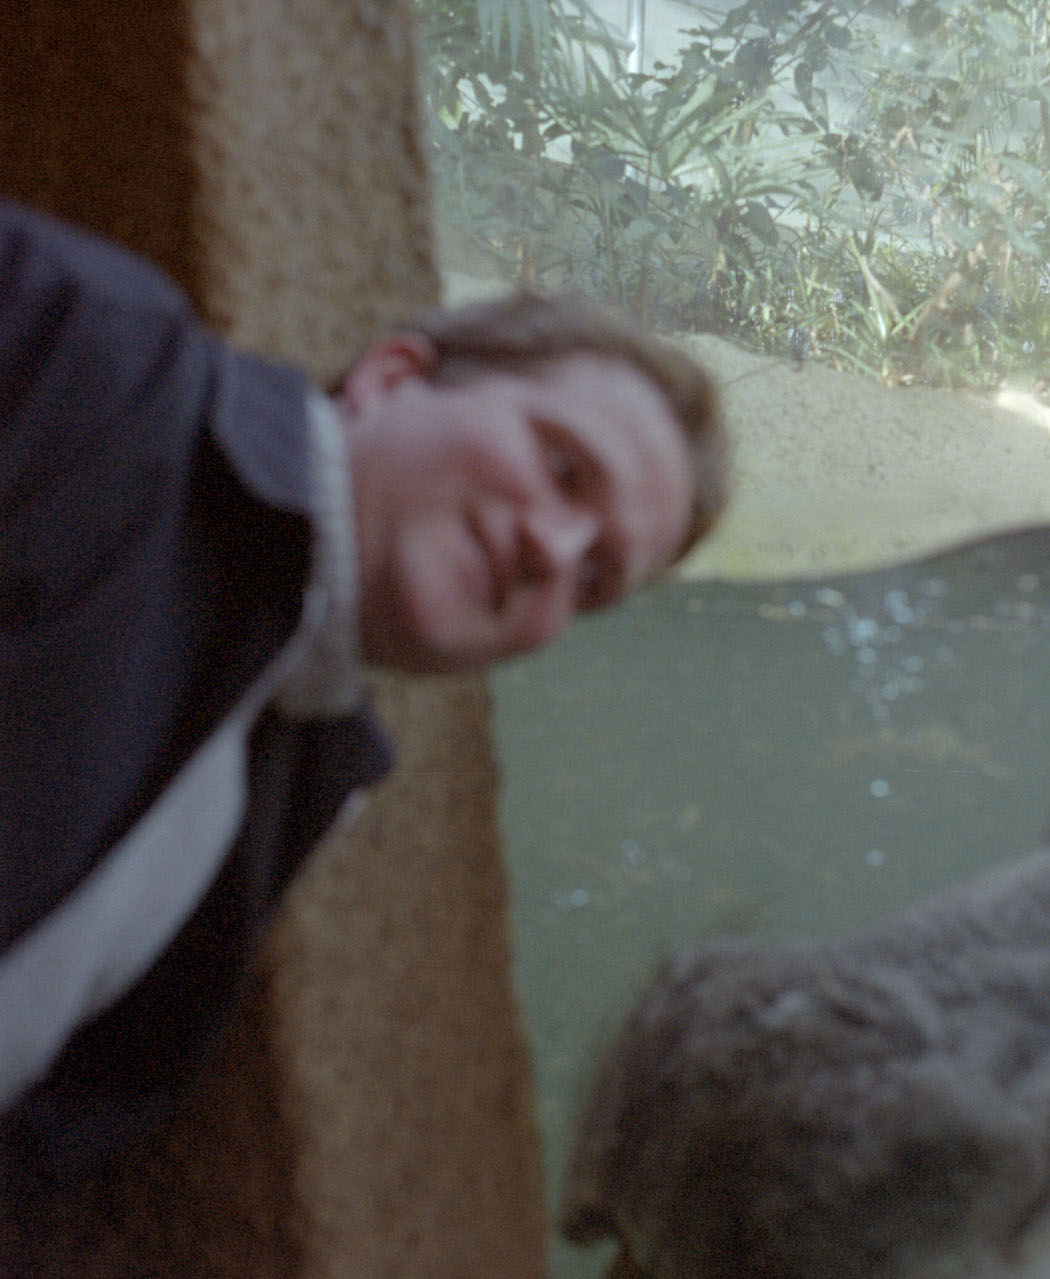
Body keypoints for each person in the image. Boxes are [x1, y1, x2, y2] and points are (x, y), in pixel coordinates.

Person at [0, 198, 727, 1192]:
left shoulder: (292, 784)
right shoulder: (87, 342)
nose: (552, 551)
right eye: (562, 467)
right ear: (391, 376)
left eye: (595, 578)